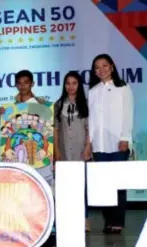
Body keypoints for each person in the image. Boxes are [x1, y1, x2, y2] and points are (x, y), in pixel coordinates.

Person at [88, 54, 133, 234]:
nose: (101, 70)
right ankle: (108, 221)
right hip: (99, 145)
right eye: (97, 67)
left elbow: (128, 114)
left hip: (117, 144)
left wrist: (125, 137)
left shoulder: (123, 88)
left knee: (119, 183)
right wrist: (90, 143)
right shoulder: (93, 91)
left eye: (104, 66)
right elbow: (91, 120)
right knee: (104, 185)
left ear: (112, 66)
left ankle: (118, 221)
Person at [53, 71, 91, 231]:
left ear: (79, 85)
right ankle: (64, 219)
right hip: (63, 152)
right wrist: (56, 152)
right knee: (64, 187)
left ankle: (84, 219)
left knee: (82, 187)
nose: (70, 86)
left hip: (80, 150)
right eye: (67, 83)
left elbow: (90, 129)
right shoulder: (58, 104)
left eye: (74, 83)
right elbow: (55, 130)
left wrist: (88, 147)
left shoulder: (87, 103)